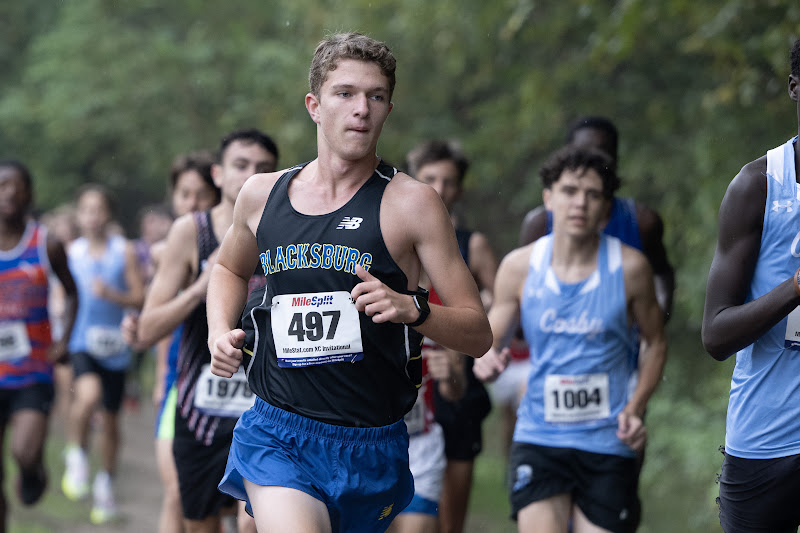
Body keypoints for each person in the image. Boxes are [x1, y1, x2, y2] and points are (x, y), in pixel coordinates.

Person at [207, 33, 492, 533]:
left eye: (375, 96)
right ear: (315, 106)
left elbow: (477, 332)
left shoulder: (413, 204)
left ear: (387, 109)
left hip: (370, 442)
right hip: (278, 428)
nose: (361, 109)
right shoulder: (261, 195)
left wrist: (414, 309)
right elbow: (229, 268)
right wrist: (218, 330)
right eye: (345, 94)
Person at [475, 146, 666, 533]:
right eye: (569, 190)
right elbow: (488, 341)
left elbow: (656, 343)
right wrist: (486, 361)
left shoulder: (630, 268)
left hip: (607, 439)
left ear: (607, 208)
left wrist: (636, 405)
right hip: (540, 435)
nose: (580, 202)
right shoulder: (519, 266)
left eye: (593, 194)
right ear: (548, 197)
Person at [138, 130, 278, 533]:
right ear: (218, 173)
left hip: (267, 407)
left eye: (264, 169)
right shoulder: (190, 231)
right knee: (199, 522)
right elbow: (147, 329)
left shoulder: (288, 232)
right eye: (241, 165)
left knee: (255, 521)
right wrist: (202, 287)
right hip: (200, 406)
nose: (251, 176)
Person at [702, 37, 800, 533]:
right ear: (794, 87)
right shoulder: (759, 185)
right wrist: (796, 288)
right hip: (766, 441)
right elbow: (715, 336)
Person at [405, 139, 497, 533]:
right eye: (430, 179)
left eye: (448, 181)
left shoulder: (471, 244)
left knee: (449, 514)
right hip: (409, 383)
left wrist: (469, 319)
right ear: (413, 180)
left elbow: (499, 300)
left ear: (459, 189)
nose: (439, 189)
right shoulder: (395, 241)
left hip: (456, 375)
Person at [0, 161, 78, 531]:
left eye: (18, 187)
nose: (10, 193)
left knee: (23, 451)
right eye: (2, 186)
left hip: (32, 370)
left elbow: (73, 292)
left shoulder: (45, 243)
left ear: (29, 193)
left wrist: (64, 341)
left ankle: (32, 471)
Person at [61, 183, 145, 524]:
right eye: (85, 210)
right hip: (81, 341)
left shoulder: (122, 250)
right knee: (86, 396)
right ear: (78, 215)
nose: (92, 217)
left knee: (111, 420)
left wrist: (113, 294)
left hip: (115, 347)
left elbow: (140, 296)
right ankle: (77, 454)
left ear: (108, 213)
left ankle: (106, 483)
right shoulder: (71, 252)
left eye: (98, 210)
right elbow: (64, 296)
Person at [389, 338, 466, 533]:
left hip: (420, 448)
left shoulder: (437, 307)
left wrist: (450, 375)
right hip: (365, 447)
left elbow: (456, 390)